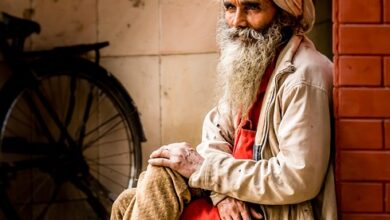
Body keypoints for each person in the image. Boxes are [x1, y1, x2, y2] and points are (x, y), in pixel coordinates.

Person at [111, 0, 337, 219]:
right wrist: (221, 193)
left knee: (150, 189)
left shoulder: (303, 76)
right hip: (241, 197)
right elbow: (215, 134)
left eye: (251, 7)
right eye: (230, 7)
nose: (237, 21)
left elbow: (296, 179)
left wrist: (208, 171)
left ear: (285, 14)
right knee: (128, 200)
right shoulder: (255, 62)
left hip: (269, 211)